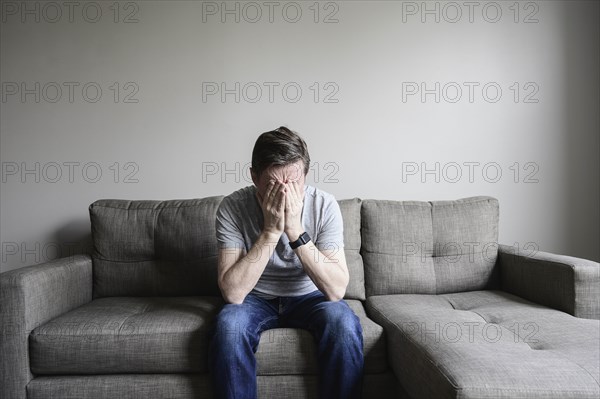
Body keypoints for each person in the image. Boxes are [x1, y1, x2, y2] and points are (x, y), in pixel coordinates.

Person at [209, 126, 364, 399]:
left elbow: (336, 290)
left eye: (293, 183)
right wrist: (270, 232)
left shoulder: (324, 205)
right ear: (254, 176)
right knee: (229, 327)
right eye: (271, 184)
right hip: (255, 297)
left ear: (305, 175)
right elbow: (233, 293)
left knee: (344, 324)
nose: (283, 193)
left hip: (310, 295)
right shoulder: (233, 207)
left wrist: (295, 231)